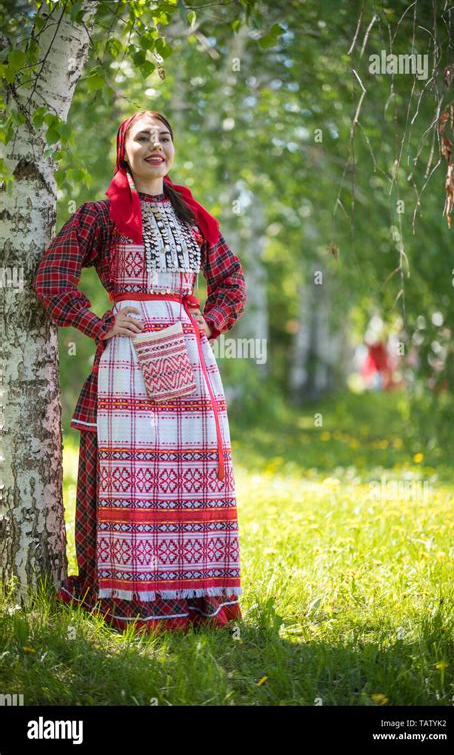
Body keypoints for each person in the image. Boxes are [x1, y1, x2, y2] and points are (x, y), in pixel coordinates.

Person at [33, 110, 247, 634]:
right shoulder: (100, 216)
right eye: (143, 137)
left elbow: (231, 283)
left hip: (189, 358)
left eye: (164, 137)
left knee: (188, 479)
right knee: (131, 479)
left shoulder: (193, 215)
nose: (156, 145)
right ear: (123, 149)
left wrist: (210, 318)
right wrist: (97, 321)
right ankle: (132, 599)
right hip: (128, 360)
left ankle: (194, 599)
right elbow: (51, 277)